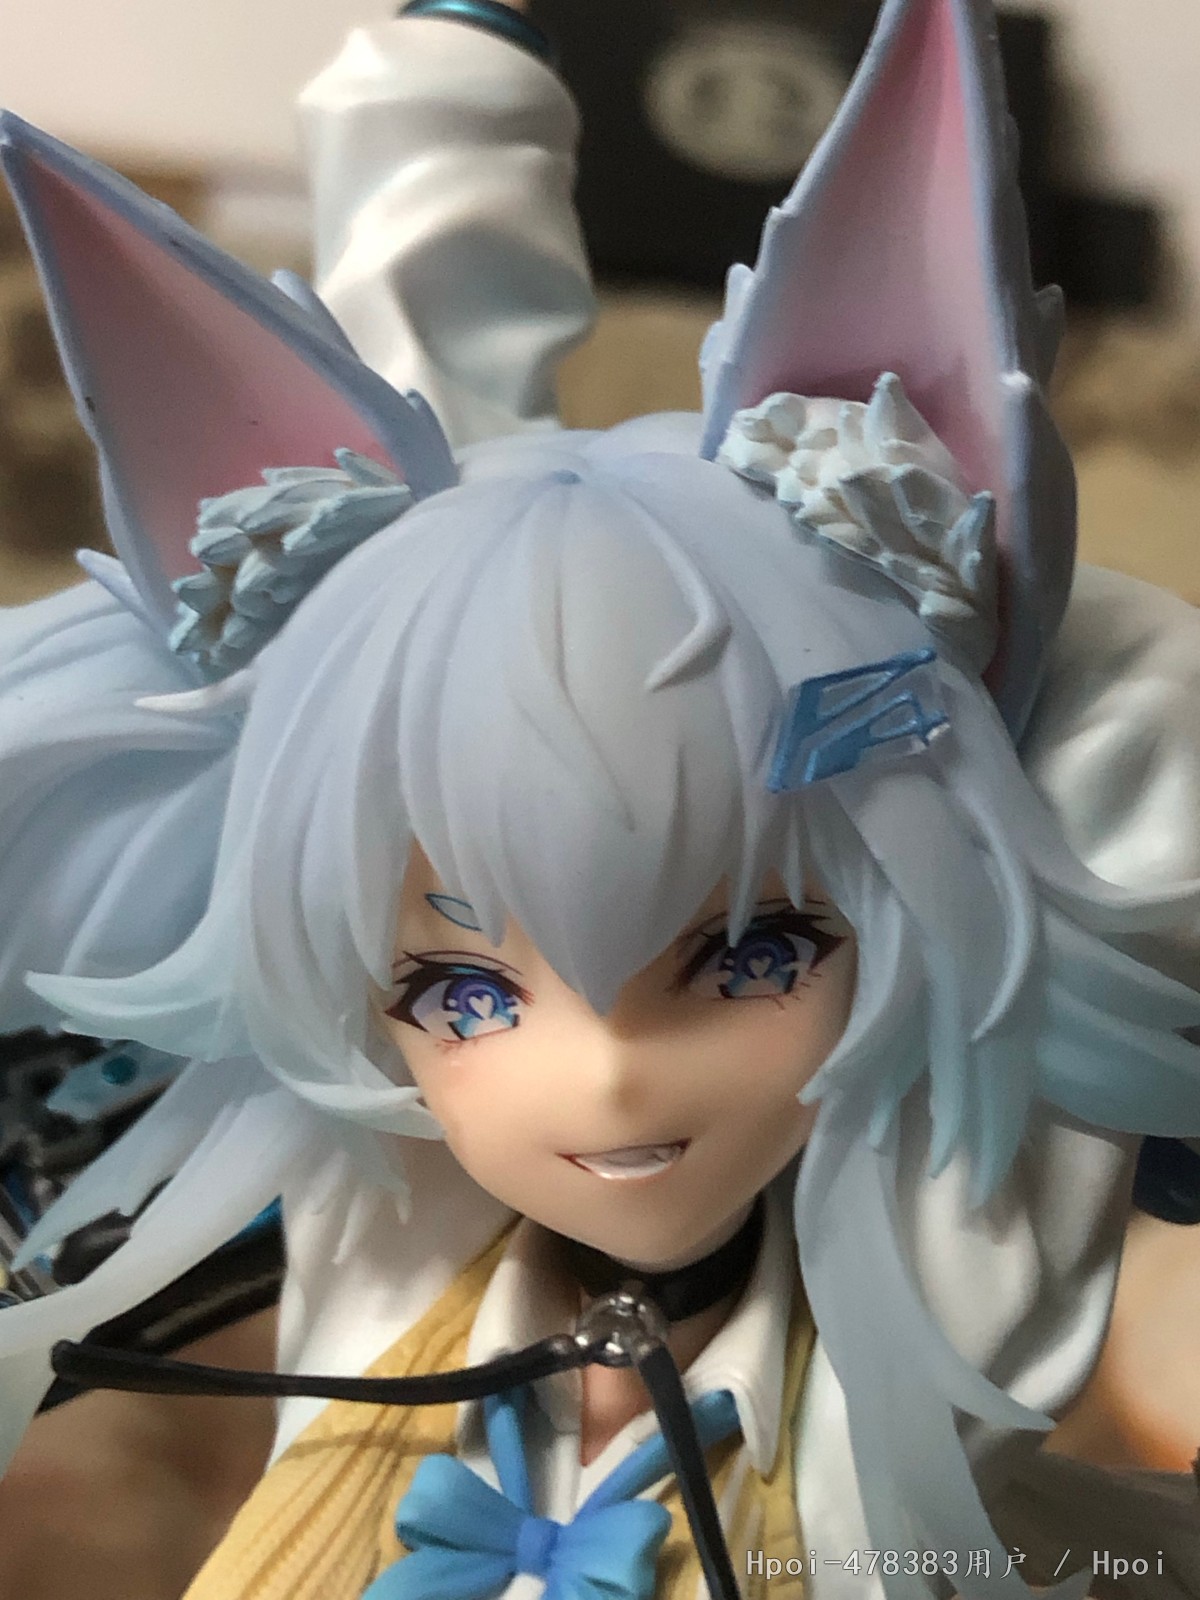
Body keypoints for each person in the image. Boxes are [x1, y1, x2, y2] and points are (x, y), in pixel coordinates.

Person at [0, 1, 1197, 1596]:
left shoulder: (940, 1309)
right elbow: (428, 589)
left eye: (757, 957)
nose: (610, 1080)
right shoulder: (376, 1260)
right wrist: (439, 111)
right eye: (466, 992)